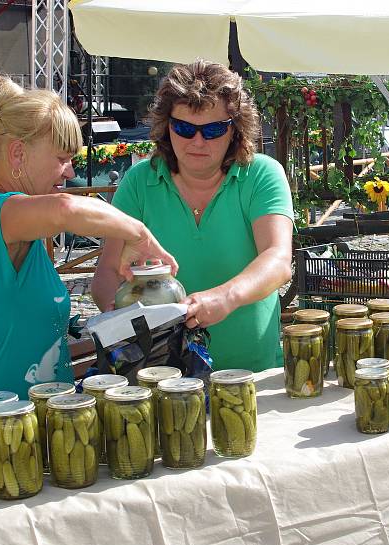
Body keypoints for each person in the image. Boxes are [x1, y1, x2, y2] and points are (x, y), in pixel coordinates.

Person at [0, 73, 177, 416]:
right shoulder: (0, 214)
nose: (69, 172)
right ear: (18, 154)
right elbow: (66, 209)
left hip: (21, 424)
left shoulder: (8, 223)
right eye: (61, 158)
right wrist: (138, 234)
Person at [91, 60, 293, 372]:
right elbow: (107, 272)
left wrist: (226, 297)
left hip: (251, 376)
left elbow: (278, 260)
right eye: (184, 128)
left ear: (235, 131)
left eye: (213, 130)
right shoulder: (138, 181)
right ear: (165, 126)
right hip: (162, 377)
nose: (198, 142)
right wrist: (117, 315)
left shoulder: (261, 174)